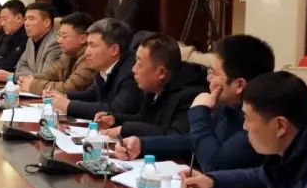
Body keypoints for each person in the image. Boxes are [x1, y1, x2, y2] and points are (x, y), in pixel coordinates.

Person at [113, 34, 274, 170]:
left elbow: (213, 163)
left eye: (213, 73)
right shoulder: (226, 107)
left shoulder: (259, 120)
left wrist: (199, 111)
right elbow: (193, 141)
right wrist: (141, 145)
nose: (208, 78)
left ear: (238, 85)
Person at [94, 33, 204, 138]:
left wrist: (125, 129)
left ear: (161, 72)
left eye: (140, 64)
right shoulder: (154, 89)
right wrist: (115, 119)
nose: (133, 69)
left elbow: (175, 137)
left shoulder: (190, 97)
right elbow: (144, 120)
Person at [45, 18, 141, 120]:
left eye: (93, 46)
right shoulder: (104, 67)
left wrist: (69, 106)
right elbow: (91, 95)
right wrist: (64, 96)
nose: (87, 52)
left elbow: (116, 110)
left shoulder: (132, 72)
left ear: (114, 50)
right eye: (87, 45)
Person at [20, 11, 95, 95]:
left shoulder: (90, 59)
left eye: (64, 36)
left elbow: (69, 88)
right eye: (59, 35)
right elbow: (50, 74)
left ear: (83, 39)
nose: (59, 40)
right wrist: (27, 79)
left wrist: (33, 85)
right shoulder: (67, 55)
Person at [12, 1, 61, 81]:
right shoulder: (30, 40)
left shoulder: (55, 43)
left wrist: (16, 76)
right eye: (25, 19)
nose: (26, 23)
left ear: (47, 22)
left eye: (31, 19)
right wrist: (35, 74)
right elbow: (19, 68)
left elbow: (45, 77)